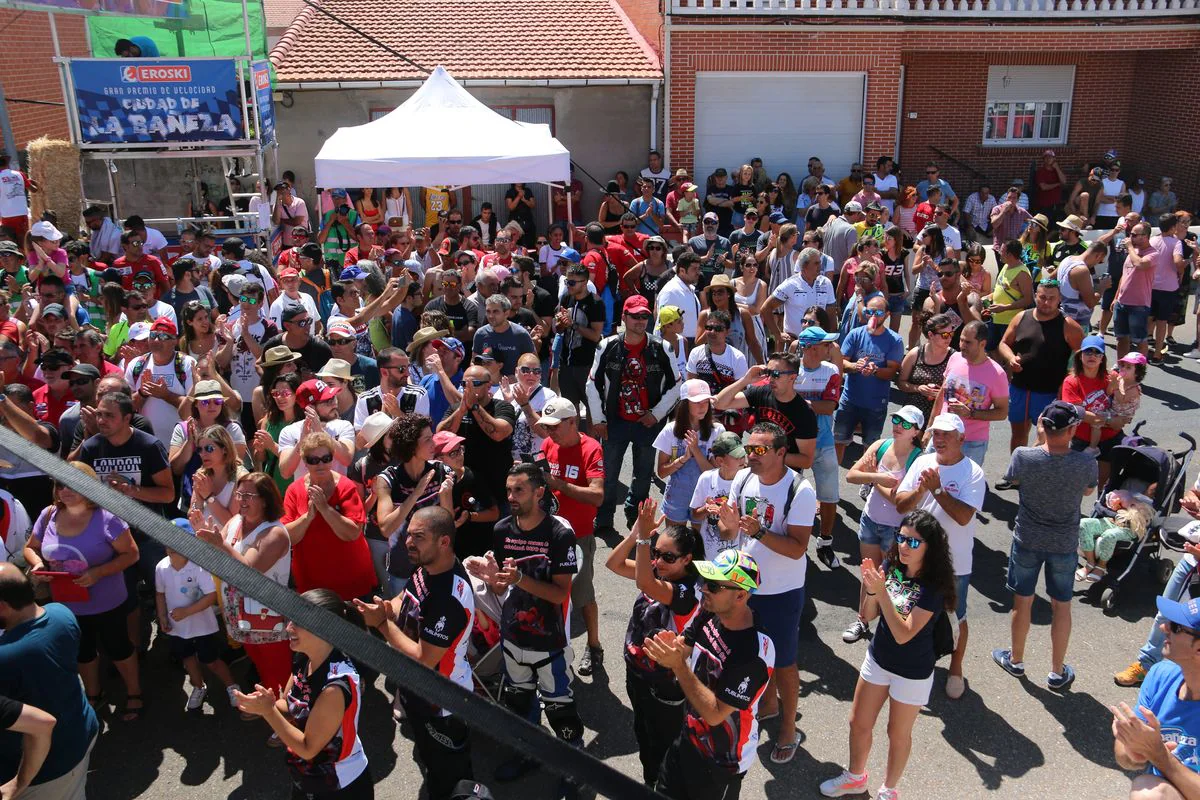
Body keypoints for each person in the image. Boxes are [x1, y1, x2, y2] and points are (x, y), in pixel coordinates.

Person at [820, 510, 957, 800]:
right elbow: (867, 615)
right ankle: (855, 778)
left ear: (930, 547)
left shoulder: (933, 587)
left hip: (913, 671)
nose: (904, 546)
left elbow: (904, 633)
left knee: (897, 734)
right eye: (902, 538)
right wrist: (871, 592)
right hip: (879, 658)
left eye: (914, 543)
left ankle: (888, 790)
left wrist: (881, 593)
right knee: (858, 722)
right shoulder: (892, 565)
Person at [472, 464, 583, 790]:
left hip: (549, 639)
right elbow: (501, 588)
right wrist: (493, 579)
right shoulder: (502, 529)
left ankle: (573, 763)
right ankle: (529, 751)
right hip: (512, 636)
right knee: (520, 703)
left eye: (518, 490)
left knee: (559, 706)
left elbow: (561, 592)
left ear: (539, 492)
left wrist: (520, 578)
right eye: (508, 490)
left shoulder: (559, 535)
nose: (511, 497)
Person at [355, 507, 474, 800]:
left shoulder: (448, 598)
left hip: (443, 703)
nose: (408, 542)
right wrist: (385, 609)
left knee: (451, 775)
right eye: (408, 534)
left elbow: (424, 658)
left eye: (419, 537)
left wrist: (382, 624)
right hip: (417, 690)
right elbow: (402, 599)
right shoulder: (427, 567)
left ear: (444, 542)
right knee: (430, 758)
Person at [715, 422, 814, 764]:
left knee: (784, 662)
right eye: (748, 448)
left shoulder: (799, 491)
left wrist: (758, 533)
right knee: (751, 652)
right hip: (746, 585)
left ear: (782, 452)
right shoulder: (742, 479)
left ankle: (788, 728)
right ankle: (768, 706)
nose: (750, 455)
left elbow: (798, 548)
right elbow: (730, 531)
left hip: (782, 592)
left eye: (759, 450)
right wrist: (724, 522)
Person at [644, 548, 773, 798]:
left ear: (741, 596)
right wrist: (667, 648)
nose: (703, 589)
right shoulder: (711, 611)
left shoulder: (752, 654)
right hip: (688, 737)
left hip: (721, 762)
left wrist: (678, 665)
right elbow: (684, 646)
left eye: (714, 586)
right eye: (705, 581)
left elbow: (715, 714)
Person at [23, 462, 142, 720]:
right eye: (60, 484)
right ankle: (93, 694)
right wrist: (38, 563)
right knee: (83, 650)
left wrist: (98, 573)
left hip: (107, 600)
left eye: (72, 483)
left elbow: (132, 554)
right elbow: (30, 547)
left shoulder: (107, 517)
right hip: (67, 603)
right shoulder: (48, 515)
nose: (65, 489)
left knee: (118, 647)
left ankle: (134, 692)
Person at [991, 401, 1096, 692]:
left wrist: (1039, 440)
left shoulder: (1024, 456)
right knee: (1061, 606)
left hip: (1028, 539)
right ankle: (1057, 670)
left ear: (1043, 426)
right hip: (1063, 543)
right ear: (1073, 428)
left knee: (1022, 600)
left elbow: (1013, 478)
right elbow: (1088, 489)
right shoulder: (1086, 462)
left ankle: (1016, 659)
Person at [235, 588, 372, 798]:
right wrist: (263, 702)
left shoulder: (334, 688)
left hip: (338, 785)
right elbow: (290, 706)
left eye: (298, 623)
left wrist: (268, 712)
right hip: (309, 776)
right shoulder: (303, 657)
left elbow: (308, 748)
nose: (288, 627)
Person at [604, 499, 702, 786]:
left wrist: (646, 540)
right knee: (645, 739)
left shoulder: (686, 592)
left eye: (668, 557)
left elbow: (644, 583)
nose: (658, 561)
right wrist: (636, 534)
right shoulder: (656, 570)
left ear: (687, 559)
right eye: (656, 554)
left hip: (663, 684)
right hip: (637, 673)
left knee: (662, 748)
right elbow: (614, 564)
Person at [894, 413, 986, 700]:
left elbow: (962, 516)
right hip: (915, 559)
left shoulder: (972, 472)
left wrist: (936, 490)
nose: (940, 439)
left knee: (955, 616)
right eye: (936, 434)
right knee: (909, 610)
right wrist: (921, 489)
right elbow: (899, 505)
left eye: (947, 434)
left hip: (953, 562)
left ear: (962, 439)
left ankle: (956, 668)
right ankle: (915, 662)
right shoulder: (922, 462)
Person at [0, 564, 99, 800]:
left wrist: (19, 783)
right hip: (82, 729)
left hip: (47, 769)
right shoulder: (61, 613)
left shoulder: (6, 657)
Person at [587, 294, 680, 532]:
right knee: (608, 475)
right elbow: (592, 384)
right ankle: (604, 516)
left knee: (643, 477)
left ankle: (635, 515)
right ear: (624, 317)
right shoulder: (606, 346)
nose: (640, 321)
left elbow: (677, 385)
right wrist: (598, 420)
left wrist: (656, 414)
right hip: (614, 422)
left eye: (645, 316)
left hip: (648, 424)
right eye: (635, 316)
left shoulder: (662, 348)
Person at [197, 473, 293, 696]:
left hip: (268, 618)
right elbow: (214, 553)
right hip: (241, 614)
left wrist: (220, 545)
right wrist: (202, 533)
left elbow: (248, 571)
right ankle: (271, 710)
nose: (241, 500)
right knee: (260, 666)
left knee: (279, 672)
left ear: (266, 499)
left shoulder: (274, 533)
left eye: (249, 495)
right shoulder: (235, 521)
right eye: (239, 494)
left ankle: (290, 719)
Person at [843, 406, 926, 643]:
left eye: (907, 423)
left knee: (890, 578)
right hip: (870, 520)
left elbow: (900, 503)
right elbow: (851, 475)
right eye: (897, 419)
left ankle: (889, 627)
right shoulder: (880, 445)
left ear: (916, 432)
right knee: (869, 573)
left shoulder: (917, 459)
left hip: (896, 529)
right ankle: (862, 620)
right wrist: (878, 477)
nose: (899, 425)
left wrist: (871, 476)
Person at [538, 397, 606, 676]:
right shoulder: (548, 445)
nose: (550, 432)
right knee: (548, 594)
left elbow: (598, 496)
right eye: (547, 427)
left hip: (578, 536)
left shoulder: (591, 449)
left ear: (573, 422)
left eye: (555, 426)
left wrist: (559, 485)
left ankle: (594, 646)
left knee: (582, 593)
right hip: (547, 533)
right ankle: (553, 645)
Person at [1111, 593, 1200, 799]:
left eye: (1176, 627)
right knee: (1148, 791)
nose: (1164, 628)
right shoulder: (1161, 674)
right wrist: (1133, 750)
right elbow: (1124, 757)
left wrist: (1159, 755)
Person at [154, 518, 240, 713]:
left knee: (212, 660)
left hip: (202, 626)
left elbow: (211, 596)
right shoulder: (161, 568)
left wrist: (186, 612)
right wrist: (162, 617)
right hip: (178, 628)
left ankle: (232, 687)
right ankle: (199, 687)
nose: (172, 546)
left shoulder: (199, 567)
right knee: (188, 659)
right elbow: (160, 594)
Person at [997, 279, 1084, 461]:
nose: (1046, 302)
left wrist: (1069, 382)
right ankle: (1017, 472)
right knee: (1018, 433)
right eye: (1042, 297)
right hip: (1020, 387)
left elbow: (1083, 358)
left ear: (1059, 299)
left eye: (1051, 298)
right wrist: (1010, 358)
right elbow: (1004, 343)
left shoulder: (1069, 326)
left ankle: (1041, 473)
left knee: (1048, 437)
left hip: (1049, 393)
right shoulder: (1021, 317)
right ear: (1035, 296)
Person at [282, 431, 374, 601]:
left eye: (326, 458)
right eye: (313, 460)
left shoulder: (346, 487)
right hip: (313, 583)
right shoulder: (294, 491)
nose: (321, 464)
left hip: (351, 578)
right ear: (305, 462)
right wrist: (307, 517)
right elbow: (287, 537)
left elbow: (352, 533)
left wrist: (325, 509)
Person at [713, 352, 818, 473]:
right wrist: (745, 380)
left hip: (784, 476)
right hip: (756, 470)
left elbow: (806, 461)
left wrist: (767, 454)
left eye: (776, 374)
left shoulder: (804, 413)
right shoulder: (762, 392)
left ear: (792, 377)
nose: (770, 378)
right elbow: (719, 403)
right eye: (768, 373)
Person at [929, 320, 1008, 467]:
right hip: (940, 433)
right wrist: (931, 427)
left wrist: (971, 413)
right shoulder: (955, 358)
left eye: (968, 342)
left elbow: (1002, 412)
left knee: (963, 486)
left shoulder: (997, 374)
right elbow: (941, 395)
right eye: (961, 340)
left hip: (971, 442)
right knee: (929, 480)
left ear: (982, 344)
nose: (962, 346)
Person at [835, 295, 903, 458]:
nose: (873, 315)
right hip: (849, 399)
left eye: (878, 312)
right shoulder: (855, 334)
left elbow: (892, 372)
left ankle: (867, 481)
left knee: (871, 446)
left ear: (887, 315)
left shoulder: (894, 340)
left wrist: (875, 371)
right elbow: (842, 363)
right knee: (839, 440)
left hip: (875, 403)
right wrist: (855, 366)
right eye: (869, 311)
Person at [277, 379, 355, 480]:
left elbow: (346, 459)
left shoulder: (344, 426)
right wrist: (302, 442)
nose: (335, 404)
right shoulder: (289, 431)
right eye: (328, 401)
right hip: (305, 493)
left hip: (338, 493)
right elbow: (285, 472)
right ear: (310, 408)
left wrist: (321, 432)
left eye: (334, 398)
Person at [762, 247, 838, 349]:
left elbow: (831, 315)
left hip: (819, 345)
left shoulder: (826, 283)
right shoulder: (790, 284)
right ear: (805, 266)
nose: (820, 266)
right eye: (816, 263)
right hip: (795, 345)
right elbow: (765, 308)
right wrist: (777, 334)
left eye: (820, 263)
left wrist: (830, 342)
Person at [896, 312, 955, 424]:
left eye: (951, 334)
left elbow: (961, 389)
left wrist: (942, 394)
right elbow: (901, 383)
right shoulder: (915, 354)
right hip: (913, 414)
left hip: (940, 416)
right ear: (931, 335)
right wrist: (918, 388)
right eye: (945, 335)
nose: (949, 338)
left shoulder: (954, 357)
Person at [1113, 220, 1157, 360]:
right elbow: (1124, 275)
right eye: (1131, 234)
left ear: (1145, 236)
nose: (1130, 237)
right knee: (1122, 338)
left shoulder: (1153, 254)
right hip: (1122, 302)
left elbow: (1140, 264)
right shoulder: (1132, 251)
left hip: (1138, 305)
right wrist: (1116, 297)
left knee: (1140, 339)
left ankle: (1139, 369)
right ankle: (1121, 365)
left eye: (1134, 234)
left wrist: (1130, 248)